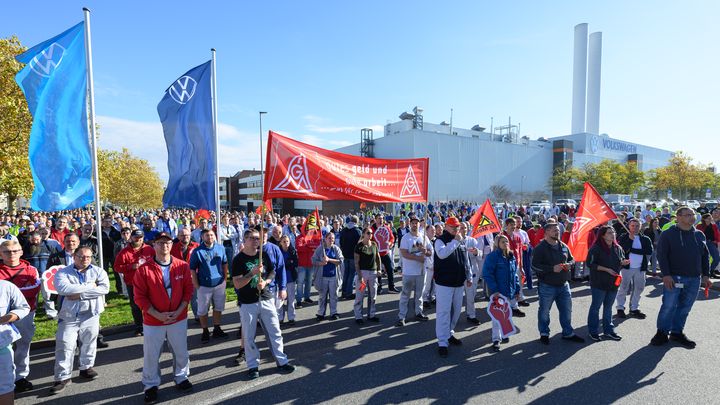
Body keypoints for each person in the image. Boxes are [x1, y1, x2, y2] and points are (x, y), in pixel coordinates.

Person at [133, 232, 194, 403]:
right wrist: (157, 314)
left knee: (181, 350)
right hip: (154, 320)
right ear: (153, 246)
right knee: (152, 354)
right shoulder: (144, 269)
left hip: (178, 317)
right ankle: (151, 384)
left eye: (167, 243)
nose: (164, 246)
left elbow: (188, 290)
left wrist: (179, 310)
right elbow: (139, 297)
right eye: (160, 243)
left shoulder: (182, 265)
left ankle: (181, 377)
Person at [232, 228, 295, 379]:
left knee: (275, 331)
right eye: (253, 238)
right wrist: (251, 274)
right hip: (248, 302)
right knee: (248, 336)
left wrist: (266, 281)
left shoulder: (264, 254)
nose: (256, 241)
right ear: (245, 240)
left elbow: (273, 271)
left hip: (266, 298)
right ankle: (253, 366)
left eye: (257, 238)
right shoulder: (238, 259)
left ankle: (282, 361)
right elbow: (237, 284)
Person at [50, 246, 109, 394]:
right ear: (74, 257)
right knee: (65, 344)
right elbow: (64, 289)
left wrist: (81, 295)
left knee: (89, 341)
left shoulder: (98, 271)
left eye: (88, 257)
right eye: (81, 257)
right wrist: (90, 286)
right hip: (69, 315)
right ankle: (62, 377)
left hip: (91, 313)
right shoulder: (63, 272)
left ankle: (86, 367)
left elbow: (104, 288)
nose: (85, 260)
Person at [651, 207, 712, 348]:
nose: (692, 217)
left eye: (693, 215)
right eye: (688, 215)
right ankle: (661, 333)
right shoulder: (667, 234)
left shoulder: (699, 235)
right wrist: (665, 274)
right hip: (674, 278)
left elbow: (705, 256)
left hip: (694, 279)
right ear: (678, 217)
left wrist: (706, 275)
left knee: (685, 307)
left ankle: (677, 333)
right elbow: (662, 255)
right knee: (669, 306)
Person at [531, 222, 584, 345]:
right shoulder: (540, 248)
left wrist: (569, 265)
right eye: (554, 230)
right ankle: (544, 333)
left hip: (564, 285)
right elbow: (534, 266)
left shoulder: (563, 246)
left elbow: (572, 259)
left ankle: (568, 333)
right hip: (547, 286)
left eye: (558, 230)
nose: (557, 232)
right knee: (544, 311)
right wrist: (551, 268)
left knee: (566, 310)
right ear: (547, 232)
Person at [0, 240, 41, 394]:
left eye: (15, 251)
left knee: (23, 345)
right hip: (2, 316)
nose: (12, 254)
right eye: (7, 252)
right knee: (4, 347)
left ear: (21, 252)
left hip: (25, 314)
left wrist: (9, 291)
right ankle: (5, 377)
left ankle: (20, 377)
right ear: (0, 254)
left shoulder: (30, 269)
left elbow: (34, 289)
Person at [433, 217, 473, 357]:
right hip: (444, 282)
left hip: (458, 281)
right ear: (446, 227)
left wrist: (468, 276)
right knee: (443, 312)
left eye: (457, 227)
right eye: (452, 227)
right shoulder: (440, 240)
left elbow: (465, 259)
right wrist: (455, 241)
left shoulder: (460, 241)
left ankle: (449, 333)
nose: (456, 229)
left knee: (456, 310)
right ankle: (442, 342)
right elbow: (442, 254)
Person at [586, 226, 628, 342]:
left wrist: (623, 262)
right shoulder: (596, 248)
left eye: (613, 232)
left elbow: (620, 261)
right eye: (609, 233)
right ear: (603, 235)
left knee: (608, 307)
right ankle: (593, 331)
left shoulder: (618, 248)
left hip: (613, 283)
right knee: (596, 307)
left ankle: (608, 331)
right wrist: (606, 269)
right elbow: (590, 264)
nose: (613, 234)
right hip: (599, 282)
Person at [188, 229, 229, 343]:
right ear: (202, 237)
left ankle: (217, 328)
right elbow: (192, 269)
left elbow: (225, 264)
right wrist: (196, 285)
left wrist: (225, 279)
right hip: (204, 285)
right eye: (207, 235)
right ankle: (205, 330)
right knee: (203, 310)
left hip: (219, 284)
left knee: (218, 307)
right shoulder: (197, 251)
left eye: (212, 235)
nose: (210, 237)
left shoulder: (220, 248)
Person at [482, 234, 521, 351]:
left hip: (510, 291)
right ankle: (496, 339)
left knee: (507, 314)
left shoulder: (511, 256)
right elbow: (487, 274)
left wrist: (517, 289)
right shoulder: (492, 257)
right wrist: (495, 290)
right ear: (497, 243)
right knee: (497, 317)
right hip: (498, 292)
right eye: (503, 242)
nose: (505, 244)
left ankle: (505, 333)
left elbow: (515, 275)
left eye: (507, 241)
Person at [114, 229, 156, 336]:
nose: (138, 239)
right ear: (131, 238)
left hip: (149, 282)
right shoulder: (124, 252)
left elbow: (157, 262)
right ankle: (139, 326)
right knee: (136, 306)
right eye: (136, 237)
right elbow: (117, 267)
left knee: (152, 303)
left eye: (140, 237)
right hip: (132, 283)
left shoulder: (149, 249)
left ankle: (152, 323)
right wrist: (131, 266)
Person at [396, 216, 432, 326]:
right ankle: (402, 316)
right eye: (413, 223)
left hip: (421, 272)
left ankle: (418, 312)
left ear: (419, 224)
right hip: (408, 272)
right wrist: (418, 258)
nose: (415, 225)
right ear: (410, 224)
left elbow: (430, 252)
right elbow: (404, 253)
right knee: (405, 294)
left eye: (416, 223)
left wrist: (426, 252)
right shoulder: (405, 238)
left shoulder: (424, 237)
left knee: (419, 294)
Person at [615, 218, 653, 319]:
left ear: (640, 227)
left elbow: (649, 251)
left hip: (640, 267)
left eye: (637, 226)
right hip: (626, 267)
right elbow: (622, 250)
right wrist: (630, 241)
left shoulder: (645, 239)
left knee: (639, 288)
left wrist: (633, 250)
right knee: (623, 288)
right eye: (632, 226)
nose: (635, 228)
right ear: (629, 226)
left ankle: (634, 308)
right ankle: (620, 308)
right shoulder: (624, 237)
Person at [0, 280, 30, 405]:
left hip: (2, 344)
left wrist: (8, 317)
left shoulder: (5, 286)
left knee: (5, 385)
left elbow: (23, 307)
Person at [22, 231, 59, 319]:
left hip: (46, 276)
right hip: (32, 277)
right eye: (33, 240)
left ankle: (51, 313)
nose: (35, 242)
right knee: (33, 296)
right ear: (29, 239)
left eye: (37, 240)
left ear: (40, 238)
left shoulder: (48, 247)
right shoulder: (25, 249)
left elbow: (54, 259)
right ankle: (31, 313)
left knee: (48, 295)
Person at [312, 232, 344, 321]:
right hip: (323, 277)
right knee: (322, 296)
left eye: (333, 238)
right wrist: (321, 263)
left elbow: (340, 260)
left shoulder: (336, 249)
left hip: (333, 276)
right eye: (329, 238)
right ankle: (321, 313)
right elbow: (313, 260)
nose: (331, 240)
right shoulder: (320, 249)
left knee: (334, 296)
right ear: (325, 239)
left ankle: (334, 312)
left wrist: (329, 259)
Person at [353, 226, 382, 324]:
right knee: (360, 295)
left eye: (371, 233)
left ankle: (371, 314)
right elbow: (356, 262)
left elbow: (378, 258)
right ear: (364, 234)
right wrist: (360, 276)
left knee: (373, 295)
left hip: (373, 273)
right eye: (368, 233)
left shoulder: (374, 244)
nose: (370, 235)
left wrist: (379, 269)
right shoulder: (359, 246)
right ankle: (358, 316)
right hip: (363, 273)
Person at [170, 227, 199, 320]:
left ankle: (198, 316)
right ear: (178, 236)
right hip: (178, 278)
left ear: (190, 236)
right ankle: (181, 317)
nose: (185, 237)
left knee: (196, 298)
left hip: (194, 277)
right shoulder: (173, 248)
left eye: (187, 235)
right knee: (180, 299)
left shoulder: (196, 246)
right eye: (182, 235)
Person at [461, 222, 483, 325]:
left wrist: (476, 252)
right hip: (459, 273)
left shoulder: (473, 240)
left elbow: (480, 255)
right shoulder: (454, 241)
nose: (463, 229)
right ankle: (453, 316)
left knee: (471, 295)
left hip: (472, 271)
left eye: (465, 228)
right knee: (456, 297)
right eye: (461, 228)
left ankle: (471, 315)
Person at [372, 214, 399, 293]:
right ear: (375, 219)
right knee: (378, 271)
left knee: (390, 270)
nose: (381, 220)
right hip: (376, 254)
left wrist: (390, 243)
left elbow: (392, 238)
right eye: (379, 218)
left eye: (382, 218)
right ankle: (379, 287)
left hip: (385, 253)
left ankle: (391, 287)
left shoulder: (386, 227)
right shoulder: (372, 229)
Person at [339, 215, 362, 300]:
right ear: (356, 221)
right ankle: (349, 293)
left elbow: (341, 242)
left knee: (346, 274)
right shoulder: (357, 231)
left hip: (345, 254)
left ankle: (344, 292)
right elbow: (359, 245)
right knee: (351, 274)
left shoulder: (344, 230)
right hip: (353, 255)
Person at [278, 235, 298, 324]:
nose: (286, 243)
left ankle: (291, 317)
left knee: (291, 299)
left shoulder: (292, 251)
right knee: (280, 300)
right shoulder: (278, 252)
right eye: (284, 241)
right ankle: (280, 318)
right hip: (280, 280)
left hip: (290, 278)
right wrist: (289, 262)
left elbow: (295, 263)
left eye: (287, 241)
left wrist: (288, 263)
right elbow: (278, 265)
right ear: (280, 243)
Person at [421, 224, 437, 307]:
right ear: (426, 231)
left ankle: (433, 297)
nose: (434, 232)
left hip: (434, 266)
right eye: (432, 231)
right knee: (426, 285)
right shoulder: (423, 240)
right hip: (426, 266)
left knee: (434, 284)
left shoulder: (436, 241)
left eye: (434, 231)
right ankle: (424, 299)